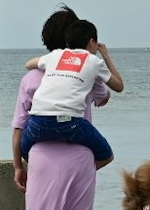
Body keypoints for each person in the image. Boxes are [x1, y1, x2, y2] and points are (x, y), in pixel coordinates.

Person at [11, 5, 111, 210]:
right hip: (79, 154)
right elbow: (104, 96)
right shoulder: (85, 68)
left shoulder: (31, 78)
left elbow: (19, 126)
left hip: (39, 156)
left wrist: (18, 165)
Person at [20, 18, 123, 167]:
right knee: (106, 155)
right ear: (92, 42)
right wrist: (105, 55)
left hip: (38, 123)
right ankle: (81, 173)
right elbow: (119, 86)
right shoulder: (94, 62)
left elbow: (28, 64)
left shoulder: (56, 56)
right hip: (70, 124)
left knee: (24, 151)